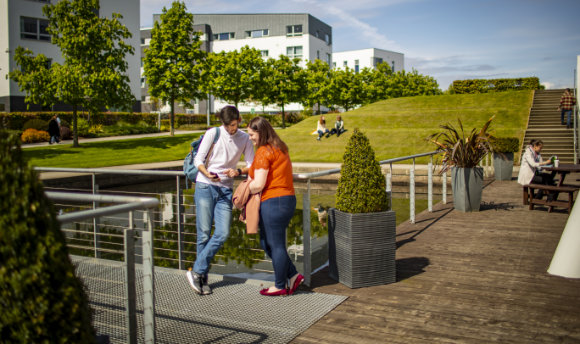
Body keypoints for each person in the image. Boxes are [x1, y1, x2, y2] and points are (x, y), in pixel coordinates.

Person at [186, 105, 255, 295]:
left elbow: (252, 164)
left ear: (239, 120)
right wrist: (208, 174)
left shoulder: (244, 138)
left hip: (225, 189)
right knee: (204, 234)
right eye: (228, 126)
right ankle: (202, 279)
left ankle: (196, 271)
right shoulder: (213, 133)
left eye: (233, 125)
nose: (231, 129)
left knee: (223, 233)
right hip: (205, 186)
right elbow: (198, 160)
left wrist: (237, 171)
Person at [246, 116, 304, 296]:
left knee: (276, 245)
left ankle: (280, 285)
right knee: (267, 243)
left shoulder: (264, 152)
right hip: (286, 200)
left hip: (273, 201)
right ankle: (293, 275)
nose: (250, 138)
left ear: (260, 132)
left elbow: (258, 184)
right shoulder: (280, 147)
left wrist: (243, 189)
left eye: (251, 134)